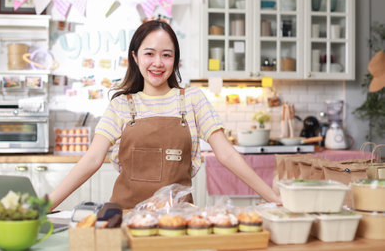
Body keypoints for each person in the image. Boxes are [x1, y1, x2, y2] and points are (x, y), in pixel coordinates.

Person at [49, 20, 281, 209]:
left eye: (166, 55)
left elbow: (227, 155)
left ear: (176, 60)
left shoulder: (192, 100)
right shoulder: (121, 105)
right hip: (127, 218)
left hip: (177, 220)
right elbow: (91, 160)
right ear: (135, 57)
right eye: (149, 53)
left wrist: (273, 198)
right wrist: (46, 205)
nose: (158, 63)